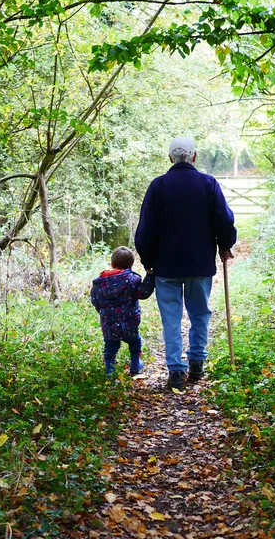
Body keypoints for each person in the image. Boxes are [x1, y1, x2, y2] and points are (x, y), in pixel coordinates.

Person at [134, 137, 237, 389]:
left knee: (171, 318)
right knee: (200, 313)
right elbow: (224, 220)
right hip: (199, 264)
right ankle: (197, 363)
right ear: (194, 156)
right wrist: (225, 244)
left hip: (165, 266)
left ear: (170, 158)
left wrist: (148, 262)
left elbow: (145, 230)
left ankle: (176, 371)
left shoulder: (158, 186)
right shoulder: (208, 183)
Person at [90, 247, 155, 376]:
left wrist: (104, 314)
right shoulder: (132, 280)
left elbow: (95, 301)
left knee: (110, 346)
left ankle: (110, 371)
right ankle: (135, 366)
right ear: (131, 265)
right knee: (135, 342)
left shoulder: (99, 283)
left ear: (112, 264)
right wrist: (150, 276)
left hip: (108, 324)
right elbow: (143, 293)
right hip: (129, 323)